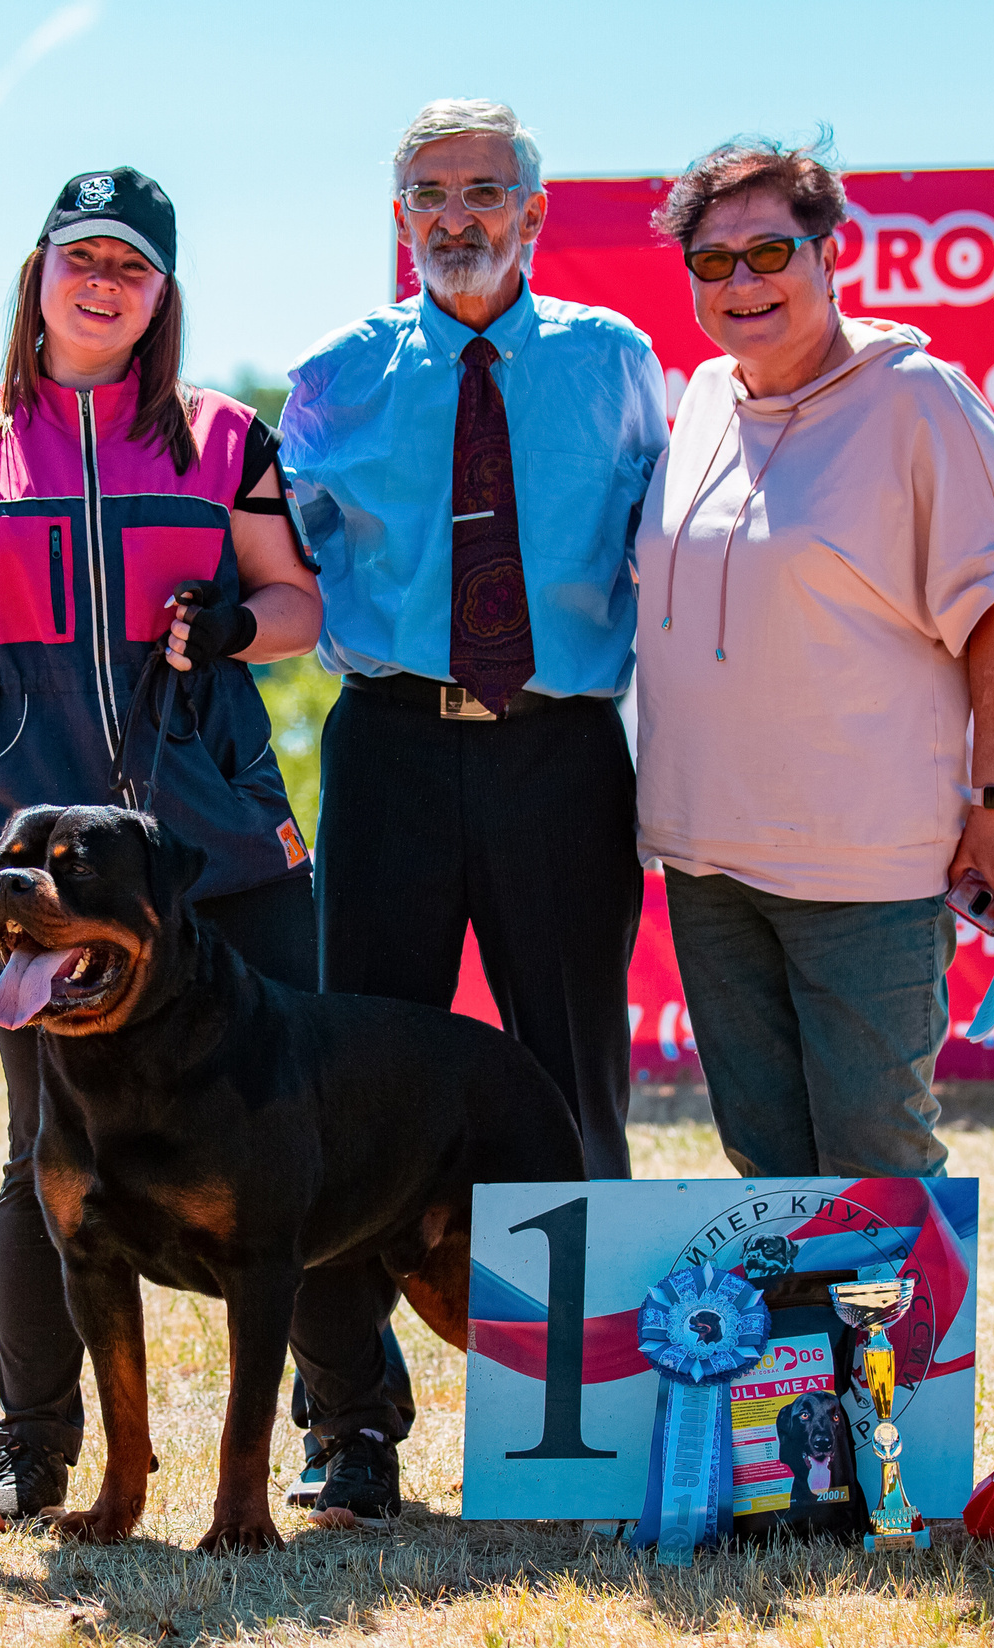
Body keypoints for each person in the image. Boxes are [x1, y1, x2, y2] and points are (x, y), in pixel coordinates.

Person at [0, 167, 401, 1531]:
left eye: (132, 266)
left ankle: (353, 1433)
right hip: (35, 874)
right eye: (83, 258)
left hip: (226, 854)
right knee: (42, 1157)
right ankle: (33, 1449)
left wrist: (232, 628)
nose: (104, 284)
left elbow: (299, 603)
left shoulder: (223, 439)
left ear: (162, 295)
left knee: (300, 1146)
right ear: (40, 274)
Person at [632, 137, 994, 1181]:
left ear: (830, 255)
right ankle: (814, 1310)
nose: (742, 282)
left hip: (864, 870)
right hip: (707, 862)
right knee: (767, 1161)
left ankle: (908, 1307)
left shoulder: (918, 398)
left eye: (769, 252)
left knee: (875, 1160)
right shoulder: (702, 400)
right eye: (713, 261)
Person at [281, 98, 666, 1184]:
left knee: (572, 1070)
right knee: (364, 1062)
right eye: (429, 195)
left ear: (532, 214)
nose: (455, 218)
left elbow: (664, 543)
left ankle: (580, 1294)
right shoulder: (335, 375)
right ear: (400, 216)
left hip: (560, 755)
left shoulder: (613, 360)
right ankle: (364, 1305)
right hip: (389, 749)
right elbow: (277, 554)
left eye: (483, 192)